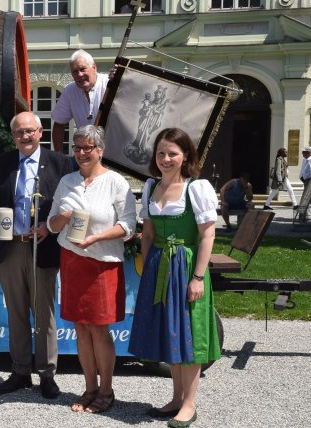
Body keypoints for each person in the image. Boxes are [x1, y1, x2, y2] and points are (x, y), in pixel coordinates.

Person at [128, 128, 220, 428]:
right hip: (159, 265)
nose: (166, 159)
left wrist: (197, 277)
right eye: (161, 153)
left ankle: (190, 404)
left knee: (189, 335)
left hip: (186, 264)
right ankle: (177, 398)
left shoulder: (196, 188)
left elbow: (208, 234)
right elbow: (149, 232)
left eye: (173, 153)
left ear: (186, 156)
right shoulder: (152, 185)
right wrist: (146, 264)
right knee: (171, 333)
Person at [46, 125, 136, 414]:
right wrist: (61, 217)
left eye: (88, 148)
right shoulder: (67, 181)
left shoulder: (116, 183)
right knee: (80, 328)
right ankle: (89, 388)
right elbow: (50, 225)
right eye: (77, 147)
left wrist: (97, 237)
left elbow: (128, 226)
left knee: (99, 329)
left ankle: (107, 391)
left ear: (100, 150)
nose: (82, 153)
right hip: (72, 260)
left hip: (102, 264)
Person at [0, 111, 72, 399]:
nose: (25, 136)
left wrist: (51, 225)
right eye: (19, 132)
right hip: (12, 246)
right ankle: (21, 371)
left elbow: (70, 202)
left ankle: (46, 373)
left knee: (44, 314)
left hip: (42, 248)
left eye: (30, 131)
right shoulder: (5, 162)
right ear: (13, 136)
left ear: (41, 132)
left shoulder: (60, 163)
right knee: (16, 312)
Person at [51, 50, 110, 153]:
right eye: (75, 71)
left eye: (83, 69)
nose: (79, 74)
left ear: (94, 68)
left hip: (113, 155)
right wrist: (58, 156)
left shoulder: (109, 83)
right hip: (86, 153)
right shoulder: (70, 91)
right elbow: (58, 125)